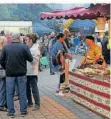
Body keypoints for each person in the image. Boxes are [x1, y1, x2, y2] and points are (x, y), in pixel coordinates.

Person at [0, 33, 33, 118]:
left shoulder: (6, 47)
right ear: (19, 39)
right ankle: (23, 111)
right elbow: (30, 59)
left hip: (10, 73)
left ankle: (11, 113)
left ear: (12, 39)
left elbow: (1, 60)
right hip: (21, 73)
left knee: (9, 93)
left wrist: (6, 68)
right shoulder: (24, 47)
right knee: (22, 93)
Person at [25, 34, 40, 111]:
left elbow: (34, 61)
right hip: (27, 72)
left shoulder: (35, 49)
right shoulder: (29, 48)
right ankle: (30, 102)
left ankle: (37, 104)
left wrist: (27, 56)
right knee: (27, 88)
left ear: (30, 40)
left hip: (32, 72)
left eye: (26, 40)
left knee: (34, 88)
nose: (25, 41)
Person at [0, 36, 7, 111]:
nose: (7, 43)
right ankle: (2, 105)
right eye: (5, 41)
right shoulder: (2, 50)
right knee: (2, 88)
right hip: (2, 72)